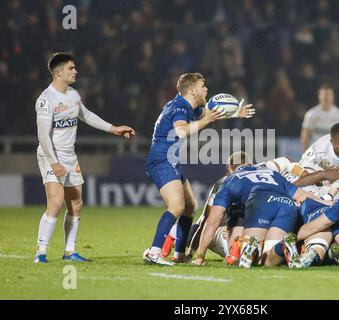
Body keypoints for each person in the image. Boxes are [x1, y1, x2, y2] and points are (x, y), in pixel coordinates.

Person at [143, 72, 255, 266]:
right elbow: (180, 130)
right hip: (161, 161)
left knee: (190, 207)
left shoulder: (187, 106)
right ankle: (154, 251)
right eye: (203, 86)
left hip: (171, 161)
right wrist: (206, 121)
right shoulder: (179, 107)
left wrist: (235, 113)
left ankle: (179, 253)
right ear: (193, 90)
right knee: (177, 206)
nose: (206, 89)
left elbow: (205, 115)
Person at [34, 52, 135, 263]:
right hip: (51, 155)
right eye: (71, 68)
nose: (76, 71)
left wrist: (114, 129)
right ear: (59, 72)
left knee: (76, 204)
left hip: (70, 156)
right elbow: (43, 135)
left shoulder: (73, 94)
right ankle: (40, 252)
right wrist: (54, 162)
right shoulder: (46, 100)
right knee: (55, 203)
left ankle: (69, 251)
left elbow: (86, 115)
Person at [192, 152, 320, 269]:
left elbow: (212, 221)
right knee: (270, 259)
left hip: (258, 203)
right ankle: (282, 247)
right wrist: (326, 201)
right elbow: (300, 194)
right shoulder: (271, 170)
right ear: (252, 163)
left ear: (229, 170)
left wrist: (200, 256)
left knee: (245, 257)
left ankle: (249, 248)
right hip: (285, 204)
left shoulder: (229, 179)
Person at [300, 84, 339, 152]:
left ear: (333, 97)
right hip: (316, 152)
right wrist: (305, 154)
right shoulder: (311, 114)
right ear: (319, 96)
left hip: (334, 154)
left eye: (329, 95)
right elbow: (305, 136)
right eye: (324, 95)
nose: (326, 98)